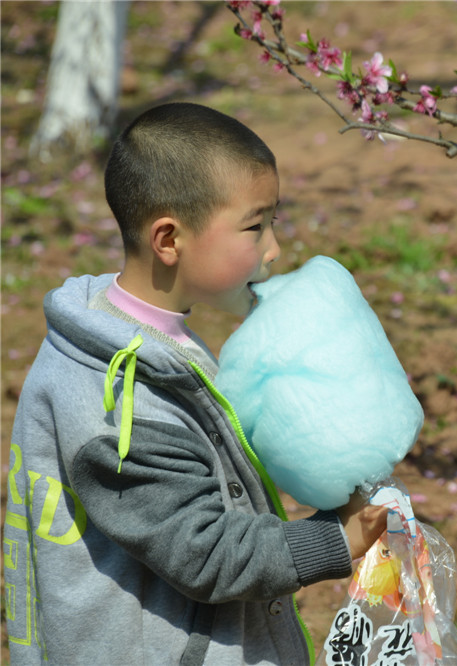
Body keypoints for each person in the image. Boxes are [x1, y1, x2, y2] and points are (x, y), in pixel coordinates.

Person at [3, 102, 388, 665]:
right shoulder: (117, 406)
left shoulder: (151, 342)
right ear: (168, 239)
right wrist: (337, 538)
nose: (274, 248)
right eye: (255, 226)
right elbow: (204, 553)